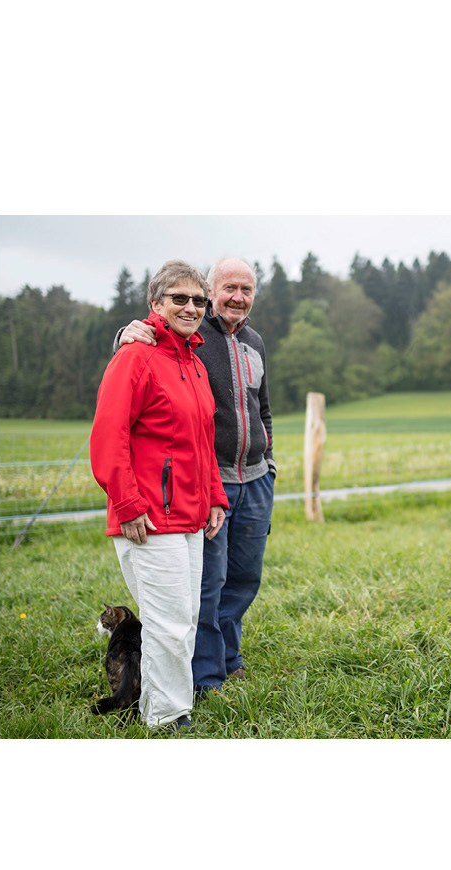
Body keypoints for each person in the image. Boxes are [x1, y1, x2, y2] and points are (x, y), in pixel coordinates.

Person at [117, 256, 275, 696]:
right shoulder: (192, 331)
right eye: (229, 289)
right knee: (208, 584)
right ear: (212, 292)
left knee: (245, 579)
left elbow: (262, 408)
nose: (237, 298)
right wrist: (125, 332)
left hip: (257, 479)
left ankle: (229, 657)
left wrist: (271, 461)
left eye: (247, 290)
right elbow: (148, 345)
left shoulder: (256, 343)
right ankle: (205, 677)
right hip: (209, 480)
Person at [91, 260, 228, 728]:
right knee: (169, 625)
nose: (191, 307)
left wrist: (214, 496)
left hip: (189, 514)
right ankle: (170, 719)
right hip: (147, 515)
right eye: (179, 298)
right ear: (156, 304)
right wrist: (128, 504)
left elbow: (200, 440)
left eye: (198, 300)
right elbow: (108, 438)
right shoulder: (135, 356)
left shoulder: (191, 362)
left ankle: (155, 704)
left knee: (182, 620)